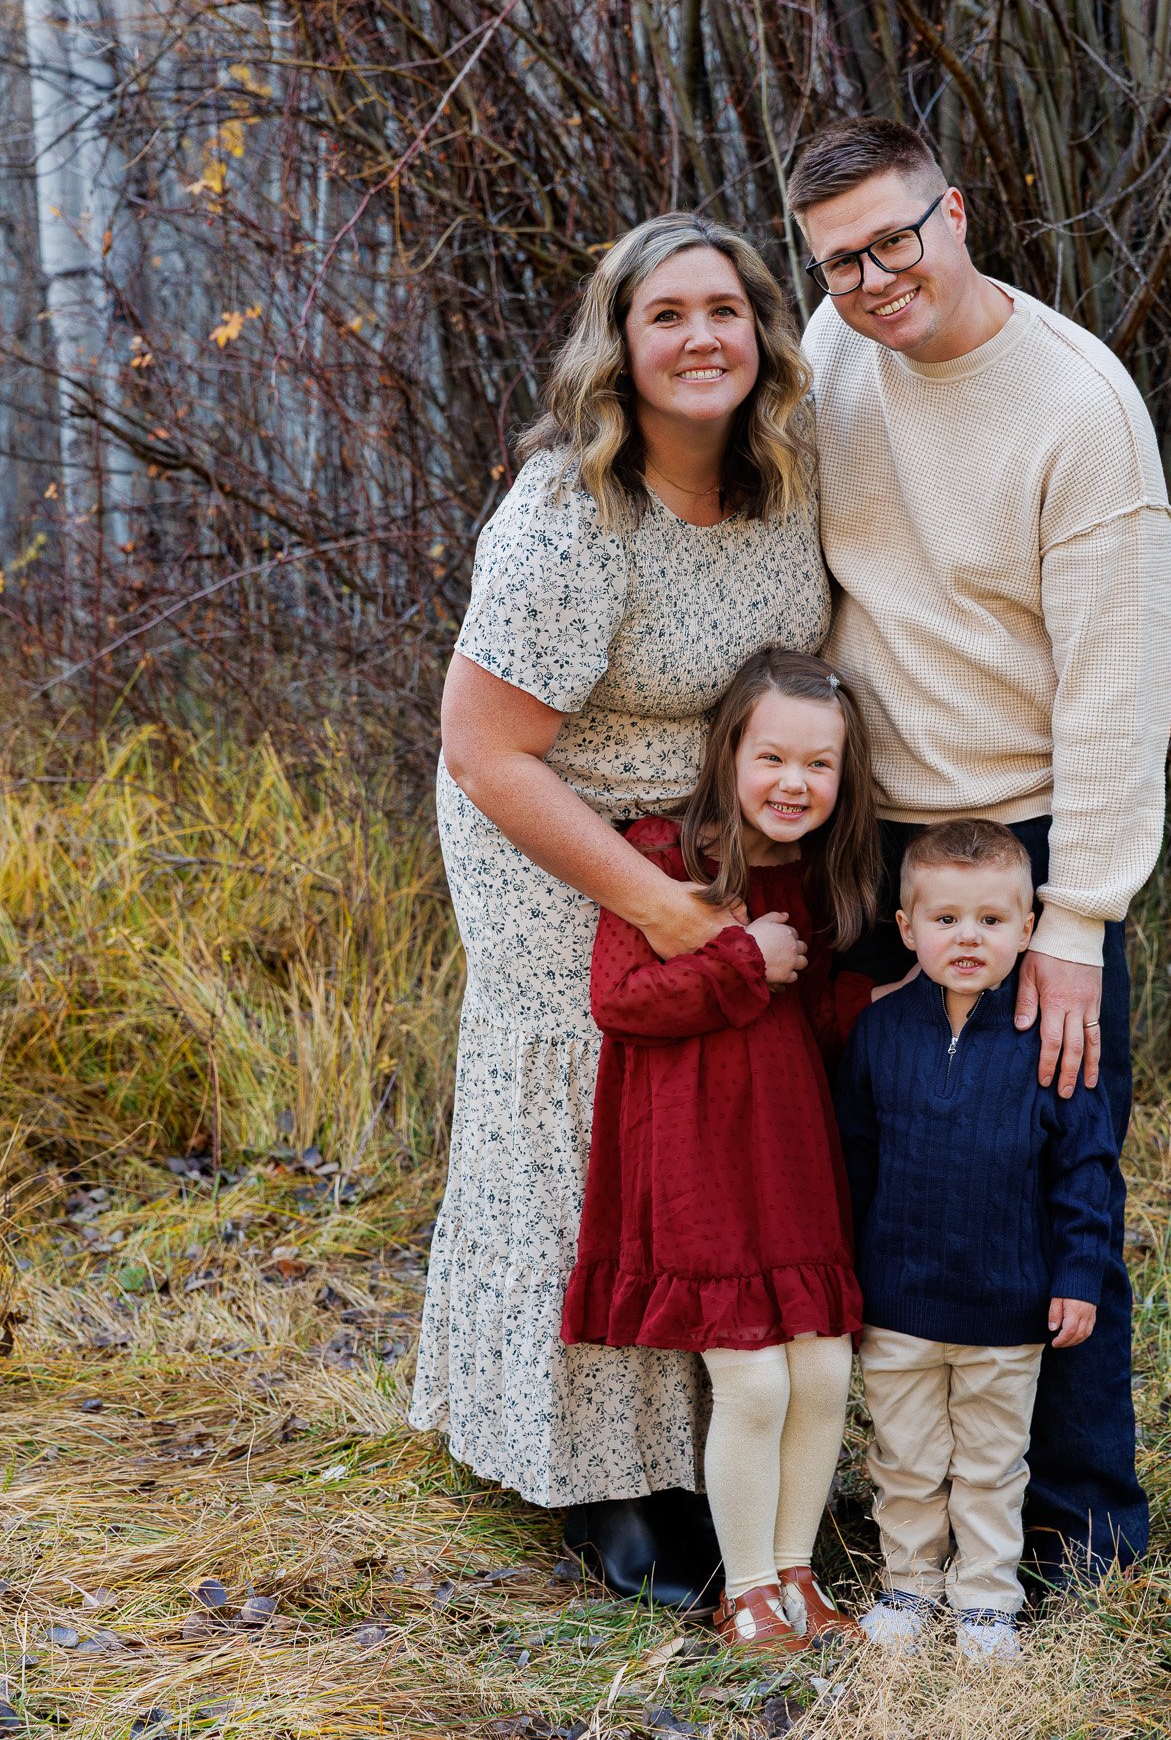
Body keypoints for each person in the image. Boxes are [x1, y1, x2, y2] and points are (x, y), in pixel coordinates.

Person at [410, 215, 832, 1609]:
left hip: (712, 837)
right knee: (592, 1113)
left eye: (726, 309)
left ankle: (728, 1447)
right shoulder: (570, 515)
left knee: (713, 1128)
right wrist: (656, 906)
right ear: (620, 347)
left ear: (763, 333)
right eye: (667, 315)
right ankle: (603, 1478)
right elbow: (484, 750)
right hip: (558, 839)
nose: (702, 337)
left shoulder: (783, 484)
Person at [789, 116, 1171, 1583]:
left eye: (897, 238)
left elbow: (1115, 683)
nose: (877, 278)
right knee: (880, 1173)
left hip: (1017, 858)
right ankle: (896, 1497)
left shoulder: (1076, 407)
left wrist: (1074, 919)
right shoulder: (834, 354)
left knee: (1042, 1175)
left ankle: (1076, 1525)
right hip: (861, 841)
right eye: (840, 260)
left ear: (952, 210)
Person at [562, 647, 879, 1649]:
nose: (795, 782)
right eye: (773, 755)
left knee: (822, 1369)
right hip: (695, 1154)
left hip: (787, 1153)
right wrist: (744, 957)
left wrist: (911, 1002)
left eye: (819, 765)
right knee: (753, 1379)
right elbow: (620, 999)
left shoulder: (811, 873)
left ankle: (798, 1573)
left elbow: (822, 1016)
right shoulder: (658, 855)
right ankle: (745, 1591)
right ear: (727, 750)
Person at [834, 820, 1117, 1659]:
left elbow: (1084, 1170)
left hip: (1007, 1305)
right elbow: (853, 1164)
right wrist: (845, 1280)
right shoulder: (878, 1036)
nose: (967, 938)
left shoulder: (1049, 1042)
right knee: (906, 1460)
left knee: (994, 1465)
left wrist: (1078, 1274)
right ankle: (908, 1588)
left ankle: (987, 1599)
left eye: (991, 921)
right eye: (945, 919)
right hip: (899, 1302)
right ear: (906, 929)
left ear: (1027, 930)